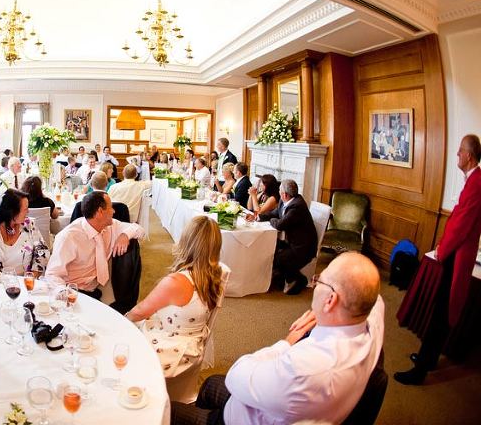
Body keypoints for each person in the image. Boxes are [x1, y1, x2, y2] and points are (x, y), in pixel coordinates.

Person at [171, 251, 384, 425]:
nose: (315, 284)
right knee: (209, 385)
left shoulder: (304, 370)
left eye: (319, 280)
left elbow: (236, 376)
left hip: (243, 418)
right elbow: (372, 297)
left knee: (166, 411)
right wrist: (321, 315)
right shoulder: (371, 325)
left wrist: (287, 342)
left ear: (331, 300)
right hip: (286, 405)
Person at [395, 134, 481, 385]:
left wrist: (442, 250)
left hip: (457, 256)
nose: (457, 154)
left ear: (468, 155)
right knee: (440, 309)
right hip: (456, 251)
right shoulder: (473, 179)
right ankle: (429, 359)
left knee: (442, 312)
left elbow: (461, 223)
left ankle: (421, 370)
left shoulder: (476, 182)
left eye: (459, 151)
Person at [126, 216, 224, 378]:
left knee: (118, 345)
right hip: (192, 345)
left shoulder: (176, 282)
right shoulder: (215, 275)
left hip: (171, 350)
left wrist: (122, 320)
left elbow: (139, 312)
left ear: (186, 242)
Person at [46, 192, 144, 300]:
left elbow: (139, 230)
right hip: (73, 290)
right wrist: (66, 296)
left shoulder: (110, 226)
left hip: (96, 288)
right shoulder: (69, 237)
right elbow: (52, 274)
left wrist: (125, 235)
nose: (114, 211)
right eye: (110, 207)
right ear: (100, 212)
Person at [251, 179, 316, 294]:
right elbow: (275, 214)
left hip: (302, 247)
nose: (279, 193)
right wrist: (260, 217)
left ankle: (300, 279)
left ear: (285, 194)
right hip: (292, 241)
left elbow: (280, 225)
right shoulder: (285, 200)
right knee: (270, 244)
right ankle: (279, 276)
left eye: (280, 191)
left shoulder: (297, 206)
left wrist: (272, 220)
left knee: (278, 259)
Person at [0, 189, 48, 275]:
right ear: (11, 212)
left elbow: (42, 252)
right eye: (25, 209)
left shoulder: (29, 225)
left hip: (25, 283)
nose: (28, 212)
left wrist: (32, 277)